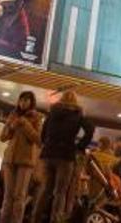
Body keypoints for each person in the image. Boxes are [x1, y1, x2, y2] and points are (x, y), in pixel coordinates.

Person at [33, 90, 95, 223]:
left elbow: (43, 133)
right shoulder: (77, 114)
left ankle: (35, 218)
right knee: (60, 192)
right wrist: (80, 146)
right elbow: (90, 129)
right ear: (75, 102)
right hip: (65, 155)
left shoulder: (52, 113)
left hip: (48, 154)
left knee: (46, 189)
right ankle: (55, 220)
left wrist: (47, 144)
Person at [0, 91, 42, 223]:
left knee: (19, 196)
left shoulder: (37, 117)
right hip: (9, 160)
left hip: (25, 161)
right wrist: (11, 127)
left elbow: (39, 139)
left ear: (31, 102)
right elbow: (2, 137)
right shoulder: (13, 115)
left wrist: (26, 125)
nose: (23, 103)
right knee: (8, 195)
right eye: (21, 100)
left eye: (26, 100)